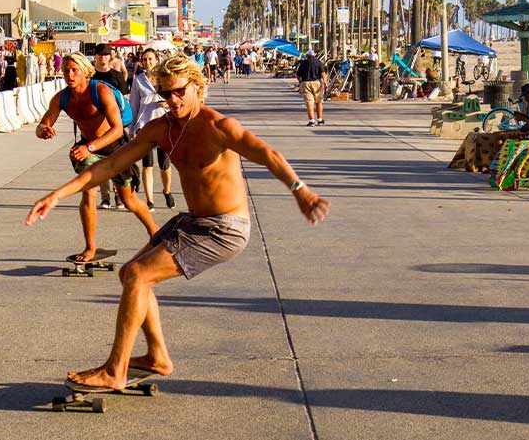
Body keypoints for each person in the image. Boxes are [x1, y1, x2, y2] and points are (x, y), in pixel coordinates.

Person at [27, 54, 329, 390]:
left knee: (140, 276)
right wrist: (56, 195)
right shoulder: (161, 129)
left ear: (198, 87)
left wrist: (301, 191)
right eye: (165, 94)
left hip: (224, 228)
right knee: (130, 273)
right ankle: (157, 356)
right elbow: (109, 166)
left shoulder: (219, 127)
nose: (172, 100)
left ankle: (115, 370)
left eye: (179, 92)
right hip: (193, 221)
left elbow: (268, 154)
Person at [35, 53, 158, 262]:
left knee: (128, 199)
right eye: (66, 70)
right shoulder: (62, 98)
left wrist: (90, 147)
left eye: (74, 70)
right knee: (88, 193)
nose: (69, 75)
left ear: (85, 71)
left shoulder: (100, 91)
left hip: (115, 147)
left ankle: (156, 235)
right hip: (88, 148)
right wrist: (43, 130)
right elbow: (43, 124)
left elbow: (118, 129)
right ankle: (90, 247)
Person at [129, 48, 176, 209]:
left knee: (164, 165)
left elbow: (177, 98)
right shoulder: (138, 80)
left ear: (157, 60)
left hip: (164, 124)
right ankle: (150, 201)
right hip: (145, 126)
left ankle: (167, 190)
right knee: (147, 165)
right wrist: (132, 128)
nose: (147, 62)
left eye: (150, 59)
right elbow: (133, 105)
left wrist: (168, 104)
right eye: (144, 60)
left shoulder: (165, 78)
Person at [92, 43, 131, 209]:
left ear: (110, 57)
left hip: (116, 125)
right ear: (95, 57)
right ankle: (105, 197)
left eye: (106, 55)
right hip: (96, 125)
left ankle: (119, 196)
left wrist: (124, 124)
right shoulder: (91, 78)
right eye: (100, 55)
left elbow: (125, 100)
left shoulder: (117, 76)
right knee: (100, 162)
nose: (102, 57)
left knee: (117, 161)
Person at [296, 49, 327, 126]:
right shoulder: (318, 62)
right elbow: (323, 74)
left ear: (307, 56)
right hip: (317, 83)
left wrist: (300, 82)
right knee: (319, 102)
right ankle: (320, 120)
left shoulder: (303, 63)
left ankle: (311, 121)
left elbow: (297, 75)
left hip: (305, 83)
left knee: (310, 103)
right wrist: (325, 82)